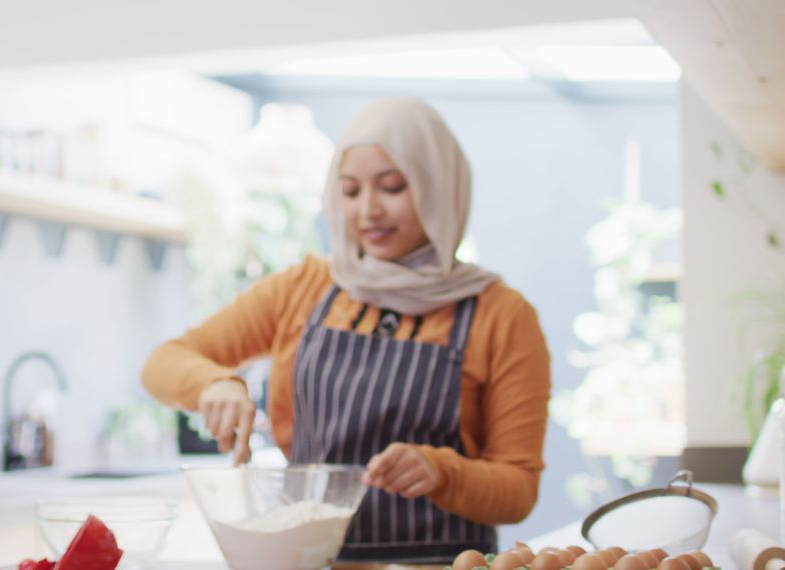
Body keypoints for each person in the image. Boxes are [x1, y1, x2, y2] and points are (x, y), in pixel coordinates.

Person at [142, 96, 551, 563]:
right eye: (351, 191)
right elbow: (163, 362)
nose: (368, 211)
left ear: (439, 187)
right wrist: (213, 382)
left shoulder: (502, 315)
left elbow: (519, 489)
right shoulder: (306, 286)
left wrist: (441, 472)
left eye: (393, 187)